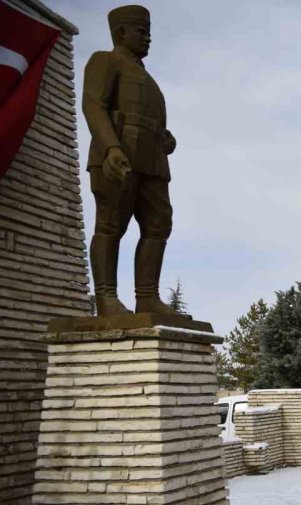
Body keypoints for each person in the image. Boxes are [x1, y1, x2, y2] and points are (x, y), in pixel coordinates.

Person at [83, 6, 182, 316]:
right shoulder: (105, 60)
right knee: (111, 223)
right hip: (118, 156)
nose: (148, 37)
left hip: (152, 161)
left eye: (148, 32)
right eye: (141, 31)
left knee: (159, 224)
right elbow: (93, 106)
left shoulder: (147, 78)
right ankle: (106, 298)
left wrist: (165, 138)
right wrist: (111, 148)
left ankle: (147, 296)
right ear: (121, 32)